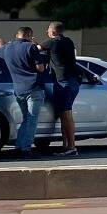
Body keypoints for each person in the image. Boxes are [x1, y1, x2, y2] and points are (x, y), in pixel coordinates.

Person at [0, 26, 47, 154]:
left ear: (17, 34)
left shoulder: (7, 48)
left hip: (18, 89)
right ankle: (25, 147)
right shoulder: (30, 47)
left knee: (26, 118)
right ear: (30, 35)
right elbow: (40, 68)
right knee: (31, 118)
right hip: (33, 87)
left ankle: (19, 145)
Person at [44, 21, 82, 156]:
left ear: (53, 32)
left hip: (63, 82)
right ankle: (66, 146)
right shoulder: (68, 41)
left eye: (48, 30)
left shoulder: (53, 42)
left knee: (66, 116)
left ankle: (72, 147)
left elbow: (36, 48)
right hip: (73, 82)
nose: (47, 32)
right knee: (64, 114)